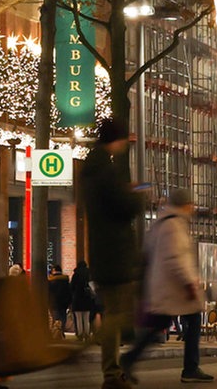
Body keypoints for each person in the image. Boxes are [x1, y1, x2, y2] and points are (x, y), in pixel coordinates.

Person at [78, 116, 146, 389]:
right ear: (115, 140)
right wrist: (136, 194)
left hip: (103, 251)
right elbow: (123, 206)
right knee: (118, 313)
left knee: (115, 311)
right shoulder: (107, 170)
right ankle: (111, 370)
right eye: (122, 140)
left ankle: (112, 369)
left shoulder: (91, 169)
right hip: (115, 252)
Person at [121, 190, 211, 383]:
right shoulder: (174, 225)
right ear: (184, 205)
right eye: (190, 204)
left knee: (159, 324)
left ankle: (130, 358)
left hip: (164, 285)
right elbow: (176, 258)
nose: (193, 208)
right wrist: (189, 283)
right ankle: (190, 368)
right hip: (173, 287)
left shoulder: (161, 223)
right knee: (192, 320)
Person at [68, 262, 99, 340]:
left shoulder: (76, 275)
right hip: (87, 300)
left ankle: (80, 335)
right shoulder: (89, 275)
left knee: (78, 318)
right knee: (86, 318)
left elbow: (72, 287)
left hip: (77, 300)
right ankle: (87, 334)